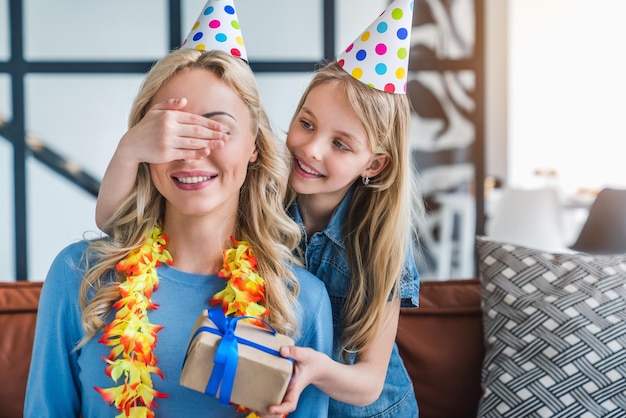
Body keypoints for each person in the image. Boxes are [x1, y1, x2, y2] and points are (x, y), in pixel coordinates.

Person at [95, 0, 422, 416]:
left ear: (374, 164)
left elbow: (370, 382)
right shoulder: (264, 187)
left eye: (340, 144)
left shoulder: (381, 241)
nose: (312, 149)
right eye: (306, 124)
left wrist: (314, 366)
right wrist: (131, 150)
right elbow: (113, 222)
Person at [25, 46, 333, 418]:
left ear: (254, 146)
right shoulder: (78, 275)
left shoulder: (300, 300)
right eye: (172, 131)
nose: (192, 153)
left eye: (217, 129)